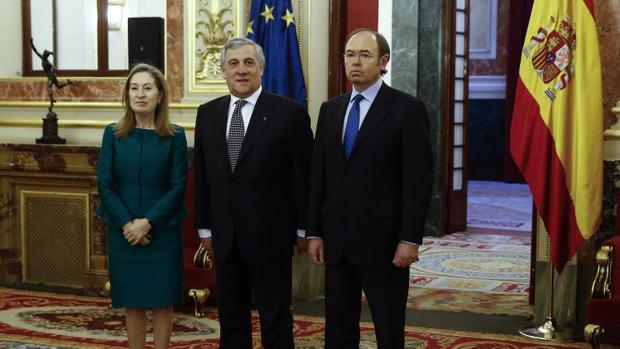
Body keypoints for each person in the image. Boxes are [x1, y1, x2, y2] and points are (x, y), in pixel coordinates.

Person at [306, 29, 433, 348]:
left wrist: (409, 238)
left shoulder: (407, 110)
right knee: (338, 329)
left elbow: (417, 180)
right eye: (350, 55)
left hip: (386, 244)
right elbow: (319, 175)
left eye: (365, 55)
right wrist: (315, 232)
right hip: (337, 242)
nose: (355, 62)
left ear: (384, 61)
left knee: (388, 331)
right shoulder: (330, 109)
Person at [193, 37, 313, 348]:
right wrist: (204, 227)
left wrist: (304, 227)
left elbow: (303, 176)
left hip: (272, 235)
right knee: (231, 318)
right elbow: (203, 176)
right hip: (225, 236)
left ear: (261, 68)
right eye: (233, 64)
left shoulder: (289, 113)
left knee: (275, 318)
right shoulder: (207, 114)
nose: (241, 70)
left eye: (249, 63)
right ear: (223, 70)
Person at [96, 63, 188, 349]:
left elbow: (178, 186)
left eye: (147, 88)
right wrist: (127, 224)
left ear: (160, 95)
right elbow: (105, 184)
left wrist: (147, 222)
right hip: (123, 233)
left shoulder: (174, 136)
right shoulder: (113, 134)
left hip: (162, 230)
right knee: (132, 302)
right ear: (127, 96)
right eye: (134, 88)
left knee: (162, 302)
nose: (140, 94)